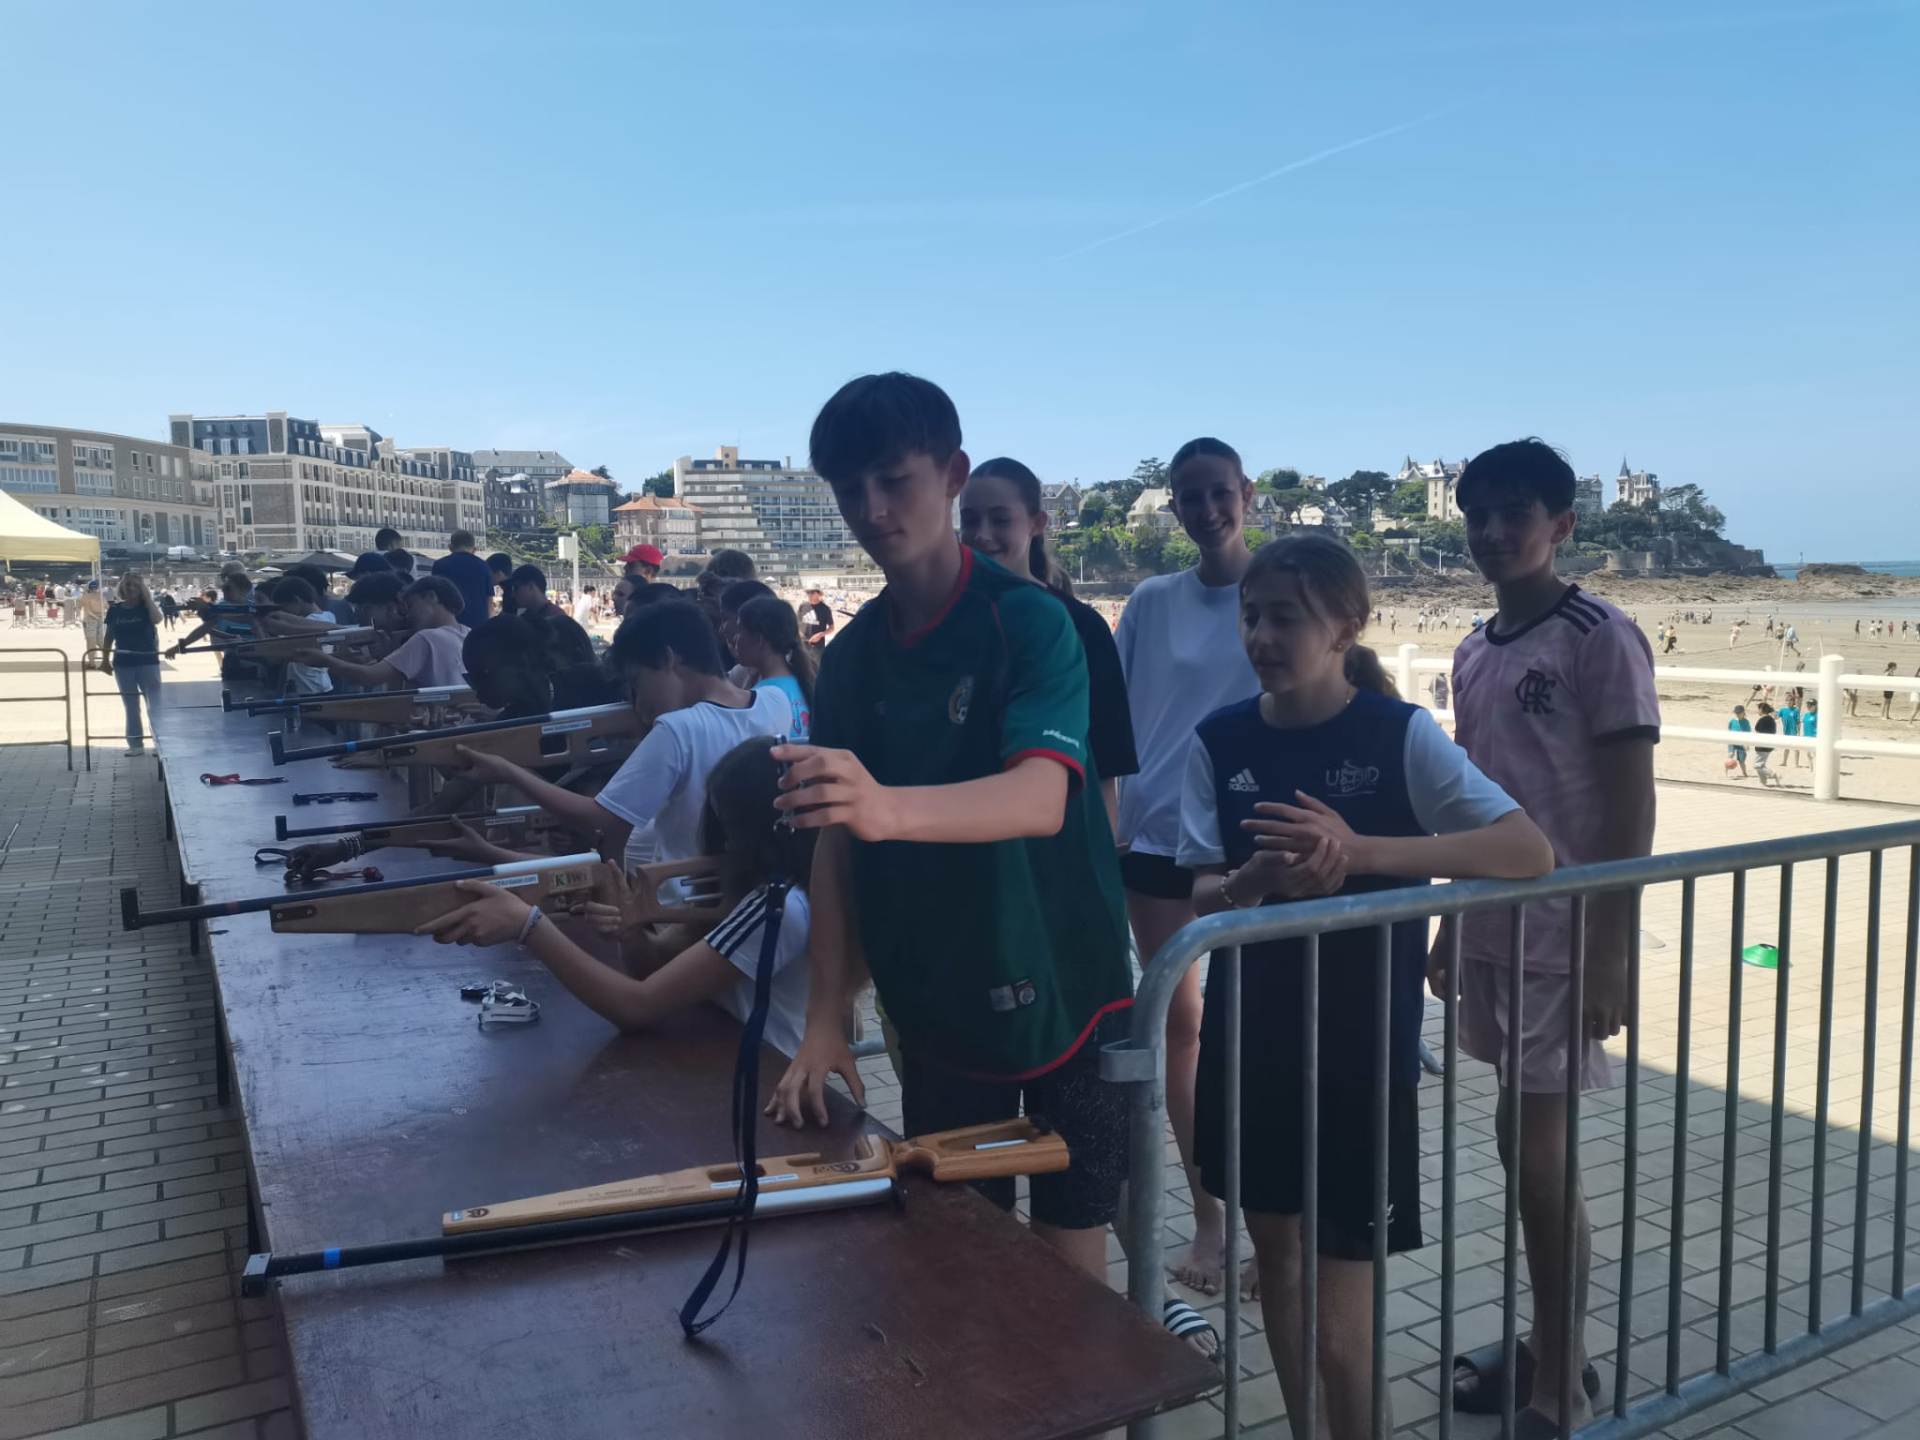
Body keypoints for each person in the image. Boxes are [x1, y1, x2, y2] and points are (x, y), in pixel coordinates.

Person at [767, 372, 1134, 1295]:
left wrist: (885, 806)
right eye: (850, 489)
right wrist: (823, 1017)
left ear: (953, 475)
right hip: (937, 1001)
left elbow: (1040, 798)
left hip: (1070, 985)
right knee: (968, 1260)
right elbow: (835, 842)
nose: (873, 509)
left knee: (1071, 1261)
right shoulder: (851, 657)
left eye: (895, 480)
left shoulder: (1033, 623)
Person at [1178, 534, 1552, 1440]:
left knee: (1343, 1288)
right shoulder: (1219, 741)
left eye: (1286, 617)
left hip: (1358, 1051)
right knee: (1277, 1262)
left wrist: (1362, 852)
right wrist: (1252, 881)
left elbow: (1526, 850)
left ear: (1347, 626)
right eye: (1251, 616)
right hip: (1251, 1041)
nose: (1262, 636)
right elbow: (1198, 892)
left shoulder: (1399, 736)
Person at [1443, 439, 1660, 1432]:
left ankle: (1557, 1382)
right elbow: (1471, 799)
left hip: (1563, 933)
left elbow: (1630, 804)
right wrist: (1449, 920)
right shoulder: (1473, 650)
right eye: (1477, 514)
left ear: (1561, 525)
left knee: (1540, 1158)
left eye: (1515, 513)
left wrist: (1611, 949)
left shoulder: (1598, 635)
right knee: (1521, 1145)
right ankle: (1552, 1346)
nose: (1493, 532)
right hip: (1492, 925)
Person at [1113, 436, 1261, 1297]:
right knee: (1182, 1030)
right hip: (1156, 837)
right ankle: (1209, 1222)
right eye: (1189, 496)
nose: (1206, 510)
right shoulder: (1153, 600)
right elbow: (1117, 718)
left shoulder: (1278, 591)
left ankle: (1275, 1225)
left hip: (1251, 836)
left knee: (1264, 1034)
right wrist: (1112, 818)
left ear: (1247, 494)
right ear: (1172, 507)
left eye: (1219, 492)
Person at [417, 736, 815, 1054]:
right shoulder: (764, 895)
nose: (724, 843)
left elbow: (637, 1007)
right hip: (720, 1058)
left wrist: (528, 926)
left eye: (730, 827)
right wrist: (631, 932)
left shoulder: (777, 908)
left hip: (763, 1077)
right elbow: (653, 971)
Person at [453, 600, 792, 873]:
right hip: (740, 890)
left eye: (637, 681)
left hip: (677, 903)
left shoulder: (678, 730)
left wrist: (508, 771)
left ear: (667, 659)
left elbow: (601, 820)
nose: (640, 703)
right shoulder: (775, 702)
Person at [959, 455, 1139, 833]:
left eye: (1000, 519)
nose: (982, 534)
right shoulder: (943, 621)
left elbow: (1106, 762)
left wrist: (1104, 852)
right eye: (970, 520)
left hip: (1061, 837)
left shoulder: (1083, 626)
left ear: (1037, 524)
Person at [297, 575, 469, 689]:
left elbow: (371, 676)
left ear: (431, 596)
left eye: (411, 605)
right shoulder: (468, 634)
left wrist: (326, 660)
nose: (408, 614)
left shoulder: (426, 638)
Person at [731, 594, 816, 741]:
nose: (734, 638)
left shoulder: (757, 699)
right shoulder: (805, 682)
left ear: (758, 640)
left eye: (739, 631)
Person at [101, 574, 165, 756]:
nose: (131, 588)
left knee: (154, 703)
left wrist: (148, 598)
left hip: (147, 661)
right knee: (130, 704)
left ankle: (159, 742)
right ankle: (135, 743)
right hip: (123, 662)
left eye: (136, 585)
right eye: (128, 585)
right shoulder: (115, 609)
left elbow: (157, 619)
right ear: (122, 587)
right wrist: (105, 660)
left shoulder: (146, 608)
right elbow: (109, 636)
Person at [507, 564, 596, 671]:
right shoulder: (533, 616)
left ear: (531, 586)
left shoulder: (555, 619)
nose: (513, 594)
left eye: (516, 588)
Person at [432, 530, 496, 631]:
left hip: (450, 624)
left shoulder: (440, 565)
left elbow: (434, 598)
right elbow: (489, 600)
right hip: (479, 624)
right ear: (474, 549)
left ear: (450, 547)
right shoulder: (483, 566)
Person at [1752, 701, 1779, 785]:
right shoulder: (1771, 720)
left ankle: (1772, 774)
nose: (1757, 711)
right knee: (1761, 764)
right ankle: (1763, 782)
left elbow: (1757, 732)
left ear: (1761, 709)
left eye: (1758, 709)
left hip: (1762, 746)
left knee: (1757, 765)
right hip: (1769, 745)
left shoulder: (1762, 720)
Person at [79, 580, 106, 657]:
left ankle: (91, 661)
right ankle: (105, 658)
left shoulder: (86, 596)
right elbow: (107, 607)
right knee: (100, 640)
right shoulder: (101, 596)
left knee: (91, 641)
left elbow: (80, 606)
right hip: (101, 619)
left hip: (89, 619)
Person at [1777, 691, 1804, 767]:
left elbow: (1798, 722)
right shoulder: (1782, 710)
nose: (1789, 702)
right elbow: (1776, 717)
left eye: (1790, 700)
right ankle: (1784, 762)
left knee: (1796, 748)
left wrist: (1799, 732)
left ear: (1793, 702)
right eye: (1787, 700)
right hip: (1786, 731)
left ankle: (1796, 764)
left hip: (1794, 732)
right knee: (1786, 747)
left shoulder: (1796, 711)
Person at [1726, 704, 1752, 777]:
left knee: (1741, 761)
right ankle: (1726, 773)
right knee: (1730, 755)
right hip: (1732, 741)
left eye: (1739, 713)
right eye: (1736, 713)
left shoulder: (1746, 722)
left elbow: (1748, 734)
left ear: (1743, 713)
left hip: (1742, 742)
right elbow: (1729, 729)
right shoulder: (1732, 721)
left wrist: (1747, 743)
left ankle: (1744, 773)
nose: (1738, 715)